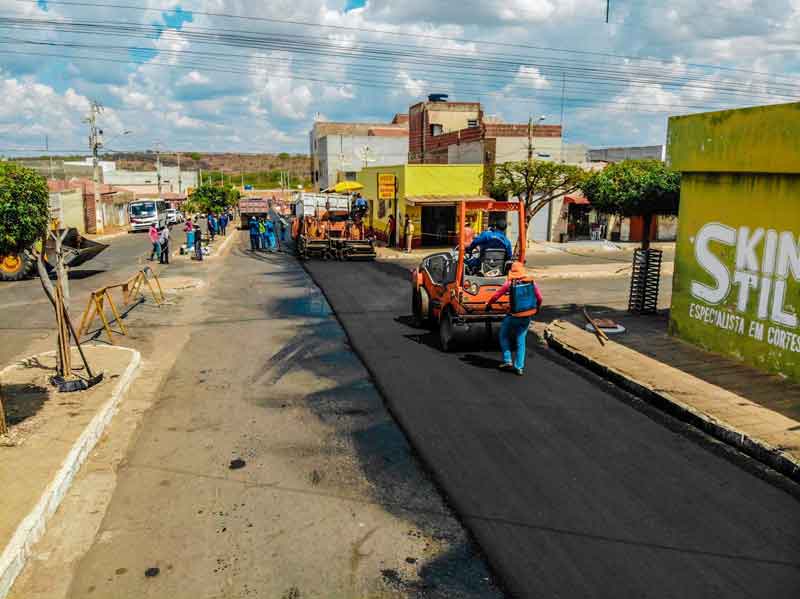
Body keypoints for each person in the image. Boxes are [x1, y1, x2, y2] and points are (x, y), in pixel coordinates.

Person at [485, 261, 542, 376]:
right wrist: (537, 308)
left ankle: (507, 360)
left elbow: (496, 295)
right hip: (527, 316)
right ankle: (519, 367)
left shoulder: (509, 284)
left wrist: (489, 304)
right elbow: (539, 298)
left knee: (503, 335)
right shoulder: (531, 282)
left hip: (513, 316)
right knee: (521, 341)